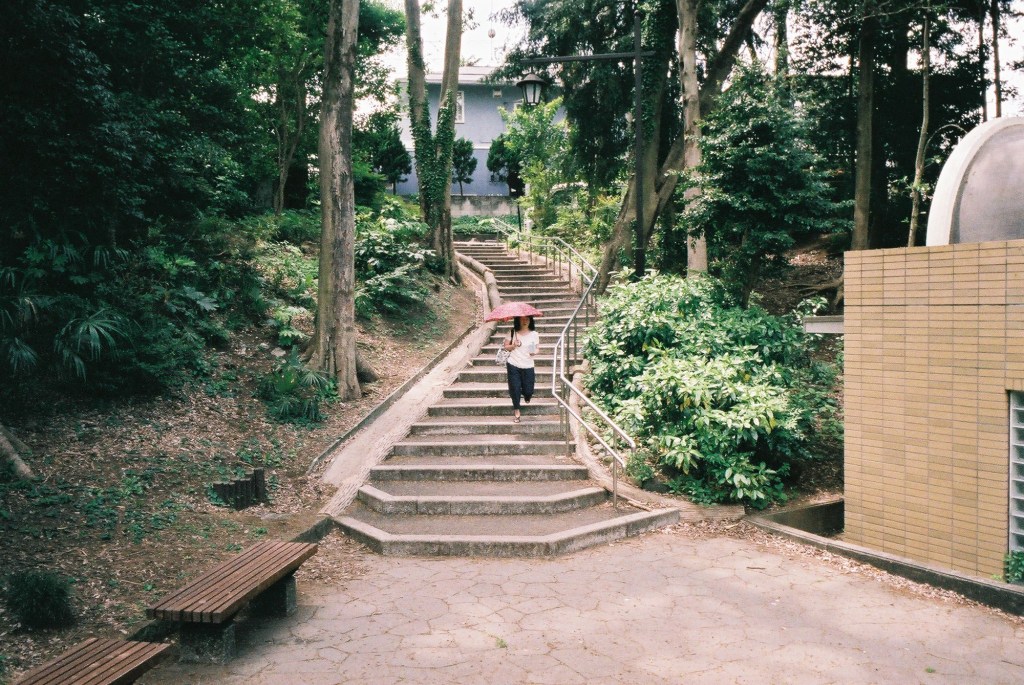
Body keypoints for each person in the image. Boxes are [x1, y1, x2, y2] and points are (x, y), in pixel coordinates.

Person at [503, 315, 539, 423]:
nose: (525, 321)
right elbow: (506, 347)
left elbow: (536, 348)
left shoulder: (534, 334)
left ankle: (527, 396)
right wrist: (513, 345)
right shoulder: (512, 332)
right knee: (515, 388)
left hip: (528, 364)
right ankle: (517, 411)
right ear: (518, 320)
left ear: (530, 320)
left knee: (528, 390)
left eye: (527, 319)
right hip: (513, 364)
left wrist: (534, 352)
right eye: (522, 319)